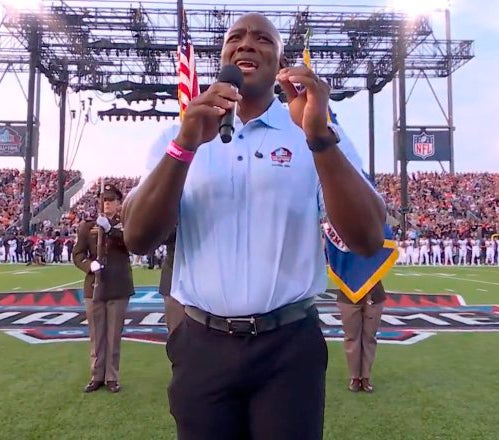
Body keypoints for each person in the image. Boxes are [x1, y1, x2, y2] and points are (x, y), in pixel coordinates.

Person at [123, 12, 385, 440]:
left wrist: (319, 137)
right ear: (223, 55)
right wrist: (185, 146)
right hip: (201, 342)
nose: (246, 44)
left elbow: (368, 237)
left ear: (281, 63)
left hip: (288, 345)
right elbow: (137, 236)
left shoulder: (315, 128)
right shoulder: (180, 132)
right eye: (236, 38)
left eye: (263, 38)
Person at [73, 183, 134, 394]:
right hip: (95, 286)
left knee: (114, 335)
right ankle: (97, 375)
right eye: (104, 200)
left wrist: (111, 231)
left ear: (119, 203)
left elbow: (132, 244)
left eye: (111, 200)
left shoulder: (127, 223)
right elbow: (78, 254)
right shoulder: (88, 226)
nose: (107, 204)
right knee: (96, 335)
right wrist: (89, 265)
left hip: (118, 286)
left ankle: (112, 377)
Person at [336, 282, 386, 393]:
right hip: (348, 295)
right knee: (351, 337)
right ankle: (354, 377)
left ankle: (365, 377)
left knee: (369, 337)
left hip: (374, 295)